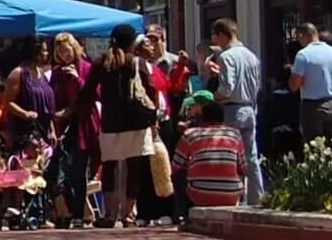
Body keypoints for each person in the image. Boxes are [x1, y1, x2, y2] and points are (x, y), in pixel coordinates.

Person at [92, 24, 163, 227]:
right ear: (132, 42)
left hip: (110, 122)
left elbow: (88, 91)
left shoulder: (101, 62)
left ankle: (109, 214)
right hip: (136, 122)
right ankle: (128, 214)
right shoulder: (137, 62)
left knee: (110, 167)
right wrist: (153, 118)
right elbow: (150, 91)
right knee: (134, 169)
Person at [209, 17, 266, 205]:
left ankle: (236, 198)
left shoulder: (226, 57)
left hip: (233, 109)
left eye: (215, 35)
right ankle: (257, 197)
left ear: (223, 34)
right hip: (250, 107)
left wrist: (213, 96)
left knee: (232, 156)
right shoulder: (251, 56)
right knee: (250, 156)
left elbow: (227, 88)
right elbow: (256, 84)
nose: (214, 40)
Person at [173, 89, 247, 214]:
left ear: (203, 117)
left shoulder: (190, 134)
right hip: (231, 196)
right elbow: (244, 168)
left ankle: (182, 214)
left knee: (179, 175)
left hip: (199, 196)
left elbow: (175, 166)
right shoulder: (234, 134)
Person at [290, 22, 332, 152]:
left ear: (303, 35)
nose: (299, 41)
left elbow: (294, 85)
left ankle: (317, 171)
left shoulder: (303, 55)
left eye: (299, 37)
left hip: (311, 104)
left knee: (314, 148)